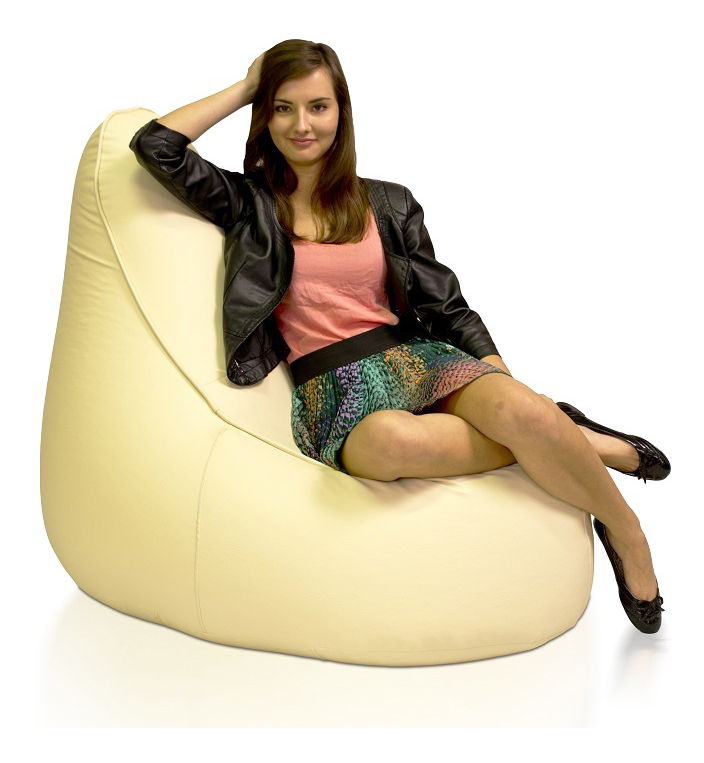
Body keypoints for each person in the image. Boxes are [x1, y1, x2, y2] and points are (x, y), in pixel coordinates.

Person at [128, 39, 669, 633]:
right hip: (332, 384)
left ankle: (626, 531)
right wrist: (246, 86)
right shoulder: (247, 201)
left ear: (342, 112)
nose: (302, 125)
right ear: (265, 116)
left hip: (416, 360)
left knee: (519, 408)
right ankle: (574, 436)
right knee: (392, 444)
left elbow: (445, 304)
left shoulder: (388, 202)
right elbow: (156, 146)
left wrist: (505, 388)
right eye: (283, 108)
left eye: (318, 107)